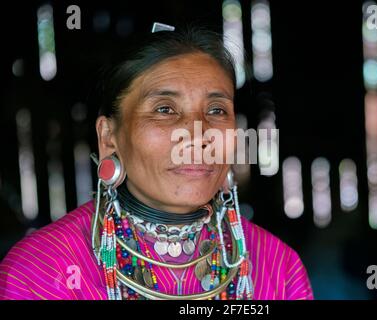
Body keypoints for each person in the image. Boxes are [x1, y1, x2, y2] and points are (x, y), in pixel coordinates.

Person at [0, 26, 313, 300]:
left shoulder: (278, 267)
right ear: (109, 137)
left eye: (217, 110)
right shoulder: (40, 272)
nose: (197, 134)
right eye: (165, 109)